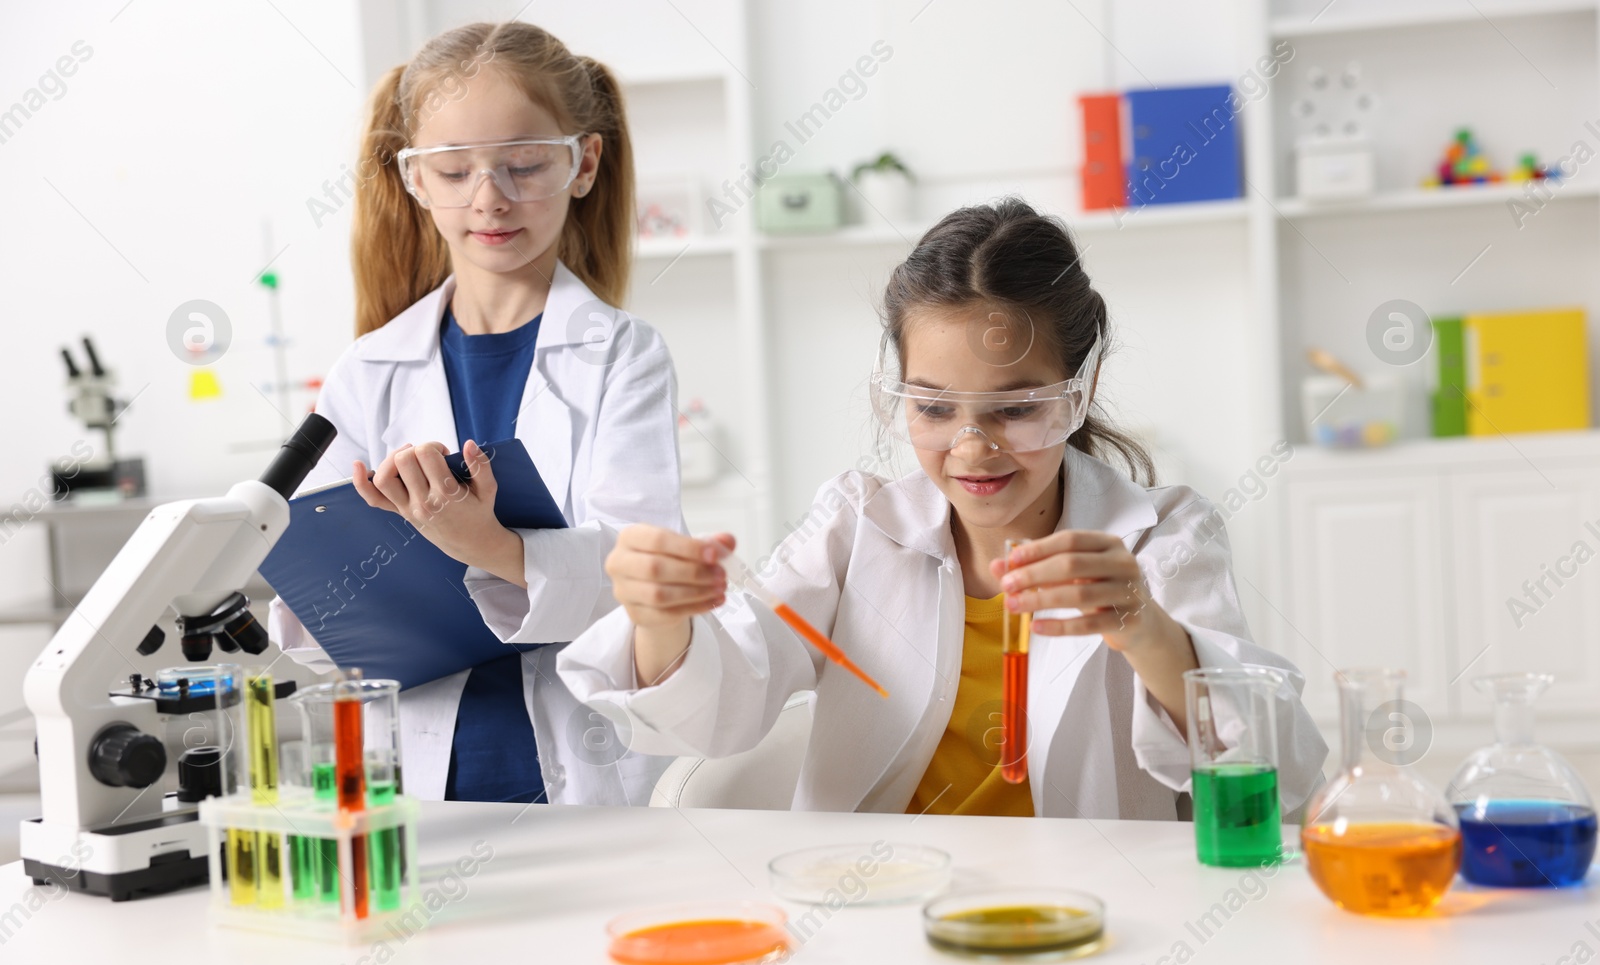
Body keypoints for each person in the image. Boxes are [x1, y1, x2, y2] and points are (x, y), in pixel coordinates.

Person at [557, 198, 1327, 819]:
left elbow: (1285, 769)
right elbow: (722, 703)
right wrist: (662, 618)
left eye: (1015, 409)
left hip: (1092, 917)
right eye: (932, 408)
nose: (971, 449)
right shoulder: (855, 529)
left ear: (1081, 389)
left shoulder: (1162, 537)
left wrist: (1146, 629)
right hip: (886, 909)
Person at [269, 21, 681, 806]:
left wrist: (492, 546)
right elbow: (310, 609)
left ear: (581, 163)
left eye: (524, 165)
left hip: (578, 761)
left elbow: (643, 575)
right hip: (420, 766)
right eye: (454, 171)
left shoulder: (622, 354)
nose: (489, 198)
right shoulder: (368, 370)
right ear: (415, 179)